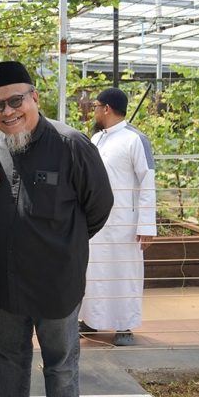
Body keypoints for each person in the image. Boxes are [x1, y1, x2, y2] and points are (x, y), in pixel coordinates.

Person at [0, 61, 114, 397]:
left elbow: (100, 205)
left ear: (35, 98)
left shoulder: (71, 144)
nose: (8, 112)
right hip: (4, 283)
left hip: (57, 283)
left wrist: (66, 242)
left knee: (61, 364)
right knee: (9, 356)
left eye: (16, 101)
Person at [79, 87, 157, 346]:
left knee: (124, 273)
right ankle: (92, 320)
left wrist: (147, 226)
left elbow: (147, 182)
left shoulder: (136, 139)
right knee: (94, 271)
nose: (94, 111)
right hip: (96, 221)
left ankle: (124, 326)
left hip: (125, 224)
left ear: (107, 109)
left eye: (96, 106)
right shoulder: (97, 139)